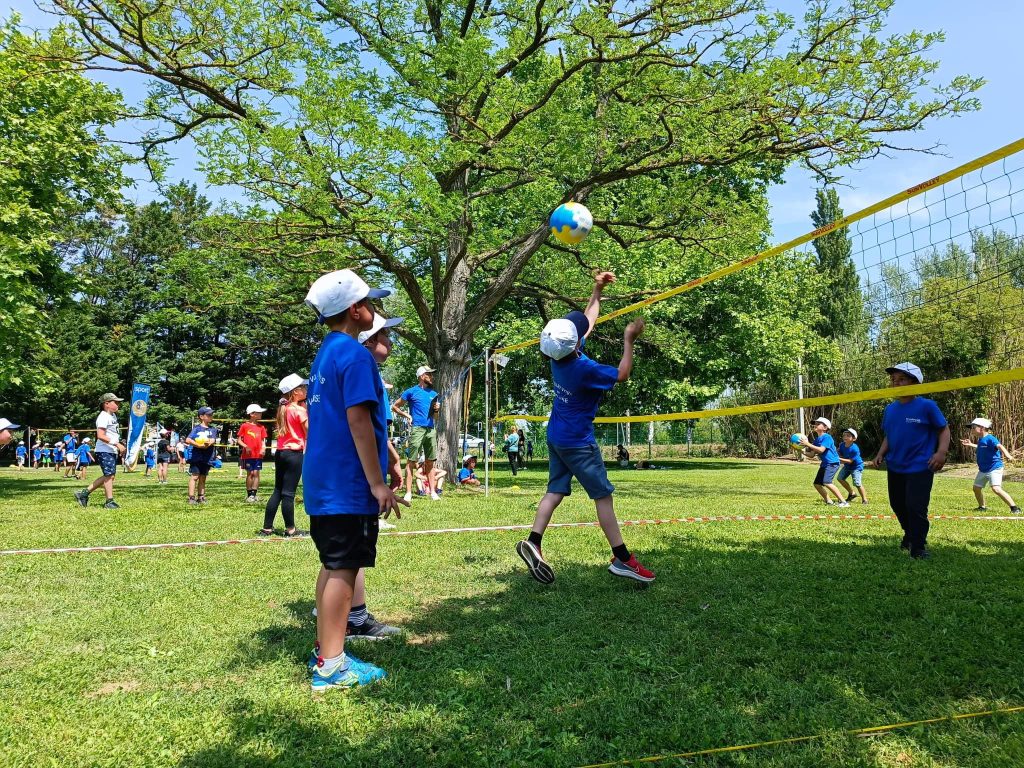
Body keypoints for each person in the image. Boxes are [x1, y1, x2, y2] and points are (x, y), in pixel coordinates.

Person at [303, 268, 407, 691]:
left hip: (324, 482)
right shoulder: (355, 356)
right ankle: (331, 667)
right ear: (356, 310)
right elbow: (359, 421)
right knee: (345, 568)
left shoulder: (327, 353)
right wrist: (378, 483)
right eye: (373, 303)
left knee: (333, 566)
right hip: (347, 483)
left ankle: (328, 649)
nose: (376, 311)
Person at [516, 270, 655, 584]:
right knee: (603, 497)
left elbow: (587, 320)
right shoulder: (584, 368)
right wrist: (628, 340)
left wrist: (597, 290)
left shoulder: (558, 356)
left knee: (554, 491)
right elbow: (621, 375)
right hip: (578, 442)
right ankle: (622, 559)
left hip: (556, 436)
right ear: (576, 344)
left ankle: (534, 543)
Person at [869, 362, 950, 559]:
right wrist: (880, 453)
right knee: (898, 505)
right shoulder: (890, 409)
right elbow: (890, 435)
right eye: (893, 380)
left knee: (916, 506)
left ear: (915, 383)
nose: (896, 383)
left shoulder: (927, 406)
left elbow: (943, 429)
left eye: (901, 379)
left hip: (920, 466)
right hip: (895, 466)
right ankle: (910, 534)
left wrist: (941, 452)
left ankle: (919, 547)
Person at [359, 312, 406, 528]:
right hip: (361, 484)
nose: (391, 342)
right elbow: (365, 425)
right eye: (386, 334)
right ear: (370, 340)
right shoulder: (366, 372)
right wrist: (391, 463)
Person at [261, 376, 308, 536]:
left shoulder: (284, 408)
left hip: (280, 453)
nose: (306, 389)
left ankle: (267, 528)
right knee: (288, 493)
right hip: (294, 454)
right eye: (303, 387)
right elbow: (310, 432)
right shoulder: (300, 410)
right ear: (295, 392)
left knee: (278, 491)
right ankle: (291, 529)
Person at [393, 365, 441, 502]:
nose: (431, 376)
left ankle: (433, 492)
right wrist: (407, 416)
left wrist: (437, 410)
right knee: (411, 461)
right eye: (429, 374)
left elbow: (435, 418)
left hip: (431, 429)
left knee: (430, 462)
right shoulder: (411, 392)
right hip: (417, 429)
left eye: (432, 374)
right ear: (421, 376)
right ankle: (408, 493)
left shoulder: (433, 394)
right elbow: (395, 406)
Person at [75, 393, 126, 509]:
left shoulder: (113, 416)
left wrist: (119, 446)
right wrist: (117, 444)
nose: (118, 404)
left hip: (111, 449)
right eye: (115, 402)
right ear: (106, 404)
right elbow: (101, 435)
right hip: (104, 450)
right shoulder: (103, 417)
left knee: (110, 476)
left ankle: (83, 494)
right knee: (109, 475)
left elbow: (112, 434)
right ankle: (109, 501)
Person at [961, 417, 1020, 515]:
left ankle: (1014, 508)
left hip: (994, 468)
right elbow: (981, 447)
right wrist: (971, 444)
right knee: (976, 488)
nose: (971, 429)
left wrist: (1008, 455)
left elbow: (1000, 446)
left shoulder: (990, 438)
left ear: (982, 428)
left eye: (973, 427)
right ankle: (982, 507)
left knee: (996, 488)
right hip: (983, 469)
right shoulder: (981, 439)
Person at [798, 417, 847, 507]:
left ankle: (843, 502)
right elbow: (812, 454)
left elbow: (821, 450)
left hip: (832, 463)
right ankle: (829, 501)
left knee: (827, 482)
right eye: (815, 424)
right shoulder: (817, 440)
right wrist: (800, 451)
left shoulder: (827, 437)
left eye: (818, 424)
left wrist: (807, 444)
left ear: (825, 428)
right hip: (825, 464)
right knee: (817, 484)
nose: (815, 425)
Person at [186, 407, 220, 505]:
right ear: (201, 417)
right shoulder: (196, 428)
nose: (211, 416)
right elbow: (188, 440)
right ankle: (191, 498)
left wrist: (207, 444)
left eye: (211, 415)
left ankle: (201, 497)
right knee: (195, 476)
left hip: (207, 457)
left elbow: (213, 440)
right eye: (208, 415)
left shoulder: (213, 429)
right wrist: (198, 445)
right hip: (197, 457)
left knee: (203, 477)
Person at [238, 404, 269, 503]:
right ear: (252, 414)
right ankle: (249, 494)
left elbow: (263, 440)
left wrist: (263, 448)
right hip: (247, 455)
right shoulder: (244, 426)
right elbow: (239, 440)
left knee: (256, 473)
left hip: (258, 455)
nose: (261, 414)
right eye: (258, 412)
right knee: (250, 473)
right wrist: (246, 446)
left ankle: (254, 494)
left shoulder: (261, 427)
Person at [836, 428, 868, 504]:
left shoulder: (855, 449)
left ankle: (865, 500)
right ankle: (852, 493)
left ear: (854, 438)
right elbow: (838, 451)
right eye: (844, 435)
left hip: (856, 467)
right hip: (847, 466)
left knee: (857, 483)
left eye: (848, 436)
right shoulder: (842, 445)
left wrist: (838, 458)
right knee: (840, 478)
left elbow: (850, 461)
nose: (845, 437)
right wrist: (835, 452)